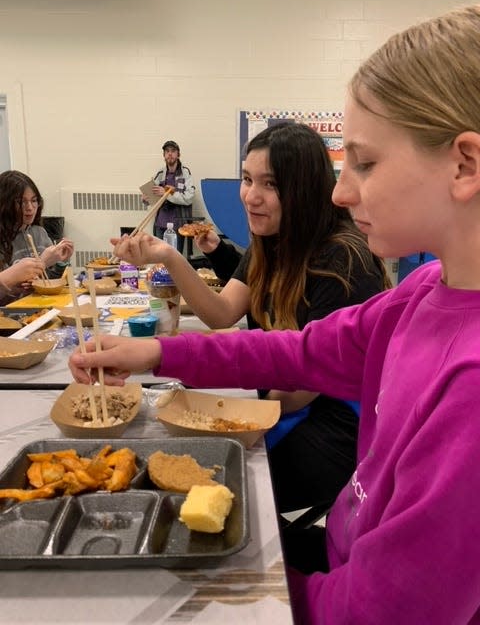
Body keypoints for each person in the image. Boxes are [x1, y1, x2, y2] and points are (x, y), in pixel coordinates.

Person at [70, 4, 480, 622]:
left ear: (464, 164)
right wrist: (155, 352)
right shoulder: (420, 292)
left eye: (366, 163)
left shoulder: (469, 382)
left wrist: (238, 586)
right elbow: (292, 350)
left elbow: (376, 611)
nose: (343, 192)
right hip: (341, 555)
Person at [81, 122, 389, 517]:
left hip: (336, 424)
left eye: (270, 184)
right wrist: (170, 257)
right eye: (246, 179)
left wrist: (231, 411)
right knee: (170, 451)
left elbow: (301, 388)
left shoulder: (343, 259)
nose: (251, 196)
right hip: (282, 395)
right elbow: (221, 312)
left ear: (306, 189)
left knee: (209, 481)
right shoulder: (270, 241)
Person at [0, 170, 74, 285]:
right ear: (5, 204)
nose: (30, 207)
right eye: (21, 202)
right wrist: (42, 262)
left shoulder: (39, 233)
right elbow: (6, 293)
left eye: (34, 200)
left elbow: (51, 281)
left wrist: (61, 261)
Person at [147, 140, 195, 253]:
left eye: (173, 151)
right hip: (160, 224)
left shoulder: (185, 173)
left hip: (178, 225)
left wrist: (167, 194)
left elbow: (189, 197)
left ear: (178, 154)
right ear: (164, 155)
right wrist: (146, 199)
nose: (170, 154)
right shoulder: (160, 173)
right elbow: (153, 195)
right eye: (167, 151)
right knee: (160, 258)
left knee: (175, 259)